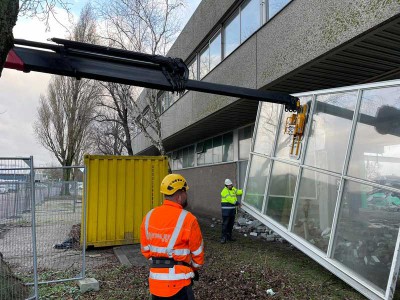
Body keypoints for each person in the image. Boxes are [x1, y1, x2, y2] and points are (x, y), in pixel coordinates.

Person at [140, 174, 204, 300]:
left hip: (156, 282)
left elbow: (146, 250)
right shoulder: (188, 219)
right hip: (179, 283)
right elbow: (198, 255)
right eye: (185, 192)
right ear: (179, 195)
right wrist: (192, 268)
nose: (186, 196)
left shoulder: (149, 216)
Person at [220, 178, 242, 244]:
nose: (230, 186)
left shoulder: (233, 189)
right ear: (226, 185)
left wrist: (244, 190)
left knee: (231, 225)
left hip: (232, 211)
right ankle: (223, 238)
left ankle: (229, 237)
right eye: (229, 185)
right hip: (226, 212)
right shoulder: (224, 191)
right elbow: (230, 199)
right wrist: (237, 203)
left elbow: (238, 192)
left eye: (231, 185)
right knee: (225, 225)